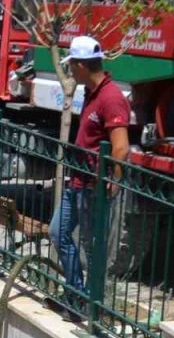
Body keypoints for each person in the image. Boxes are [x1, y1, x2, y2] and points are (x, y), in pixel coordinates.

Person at [47, 35, 131, 322]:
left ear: (82, 65)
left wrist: (114, 180)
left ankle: (93, 308)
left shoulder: (111, 99)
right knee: (58, 233)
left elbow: (120, 147)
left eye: (73, 65)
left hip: (93, 187)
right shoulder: (93, 94)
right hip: (77, 183)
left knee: (93, 249)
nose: (71, 71)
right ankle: (76, 293)